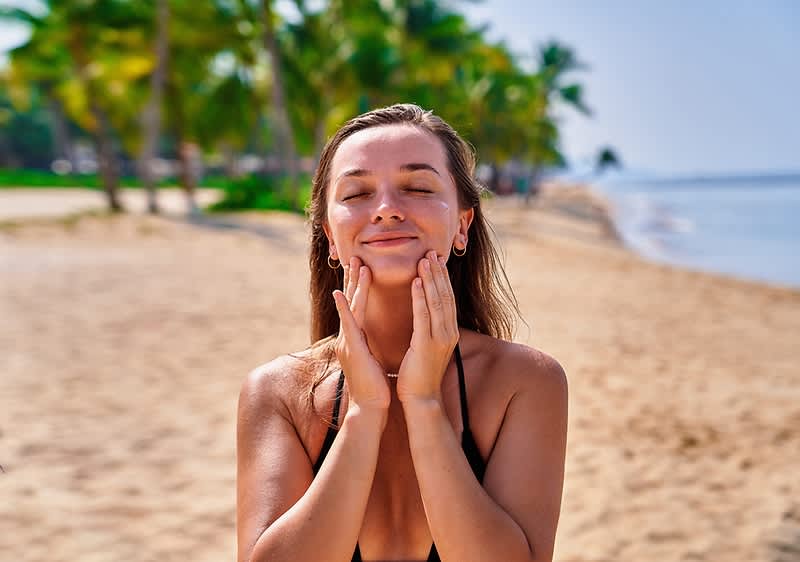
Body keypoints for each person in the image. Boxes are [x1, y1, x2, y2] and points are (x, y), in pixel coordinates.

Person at [236, 104, 568, 562]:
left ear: (463, 225)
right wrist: (365, 410)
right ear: (330, 236)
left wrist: (425, 404)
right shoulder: (278, 391)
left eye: (417, 187)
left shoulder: (525, 381)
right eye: (356, 194)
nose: (388, 210)